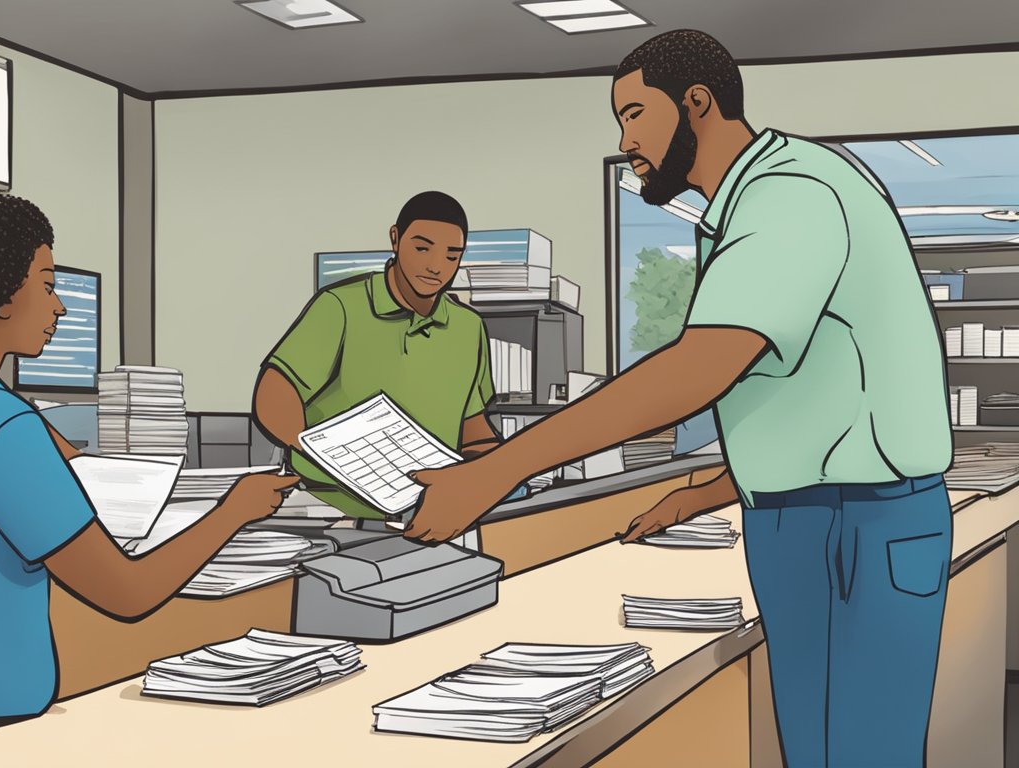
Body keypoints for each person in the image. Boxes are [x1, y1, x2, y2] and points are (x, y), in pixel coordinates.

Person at [405, 30, 952, 768]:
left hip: (857, 526)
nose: (625, 140)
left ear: (696, 103)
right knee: (822, 752)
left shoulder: (789, 195)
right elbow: (820, 388)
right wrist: (711, 487)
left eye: (634, 114)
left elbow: (702, 367)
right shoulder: (748, 204)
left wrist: (496, 471)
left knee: (859, 756)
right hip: (815, 518)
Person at [0, 194, 297, 749]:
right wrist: (232, 511)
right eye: (46, 285)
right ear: (0, 297)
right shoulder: (3, 426)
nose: (59, 307)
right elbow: (127, 594)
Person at [253, 191, 500, 521]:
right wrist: (330, 455)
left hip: (429, 512)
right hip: (330, 511)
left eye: (451, 255)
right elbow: (273, 396)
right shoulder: (340, 307)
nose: (435, 266)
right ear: (396, 239)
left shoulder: (469, 328)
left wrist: (497, 473)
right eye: (422, 248)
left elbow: (474, 429)